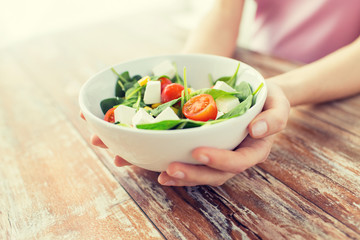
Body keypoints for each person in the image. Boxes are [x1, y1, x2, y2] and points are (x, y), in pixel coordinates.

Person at [87, 0, 360, 187]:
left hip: (342, 100)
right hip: (255, 63)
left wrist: (276, 92)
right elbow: (226, 10)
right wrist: (180, 91)